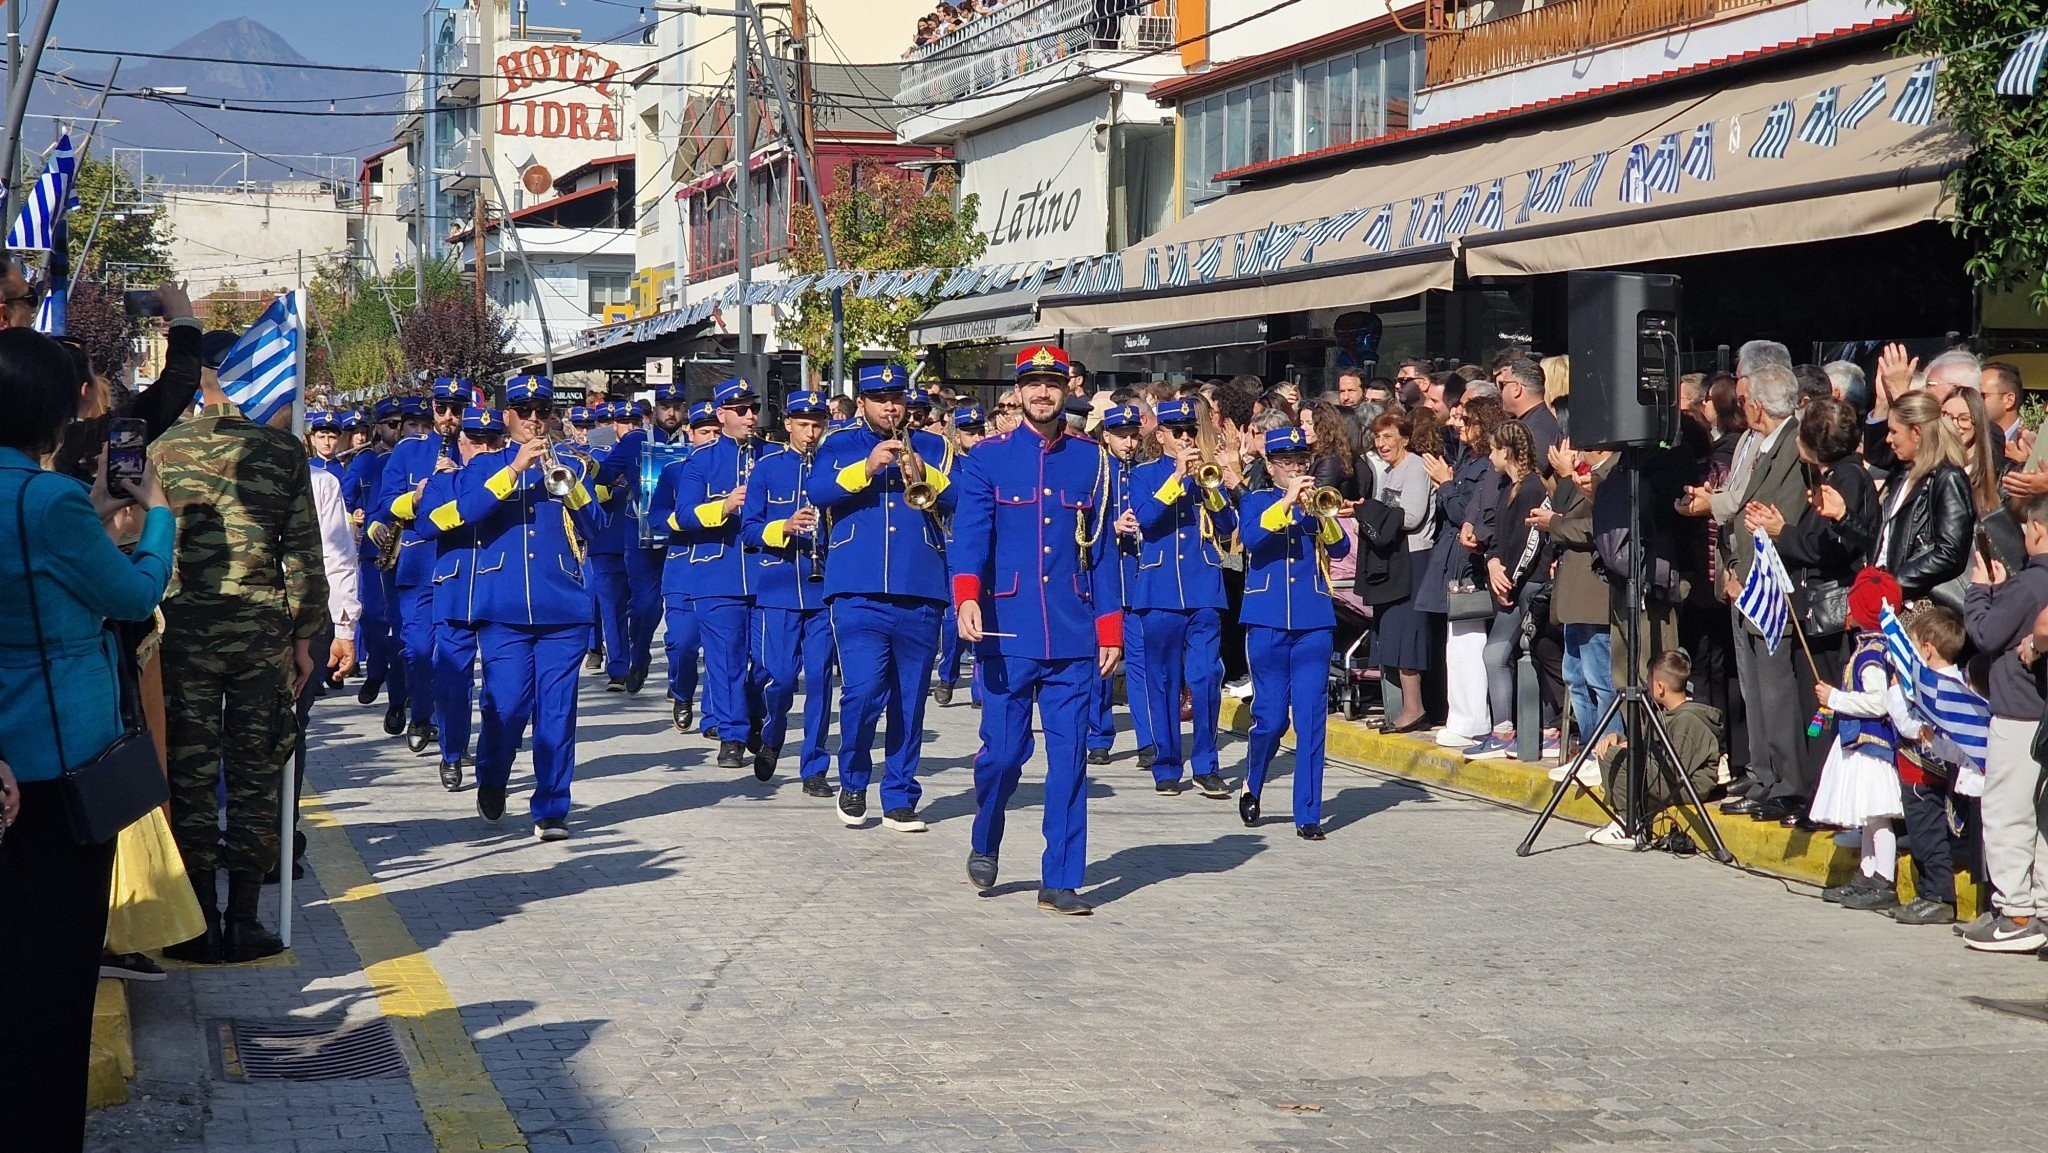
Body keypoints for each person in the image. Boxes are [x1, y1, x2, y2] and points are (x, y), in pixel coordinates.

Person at [0, 327, 174, 1153]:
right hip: (57, 767)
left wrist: (97, 508)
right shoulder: (48, 501)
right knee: (53, 983)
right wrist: (158, 517)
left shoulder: (44, 503)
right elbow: (132, 592)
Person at [154, 334, 327, 964]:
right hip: (260, 634)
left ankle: (198, 921)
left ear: (202, 381)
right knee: (256, 772)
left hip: (184, 632)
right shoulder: (283, 452)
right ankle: (245, 918)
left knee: (192, 772)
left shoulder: (163, 448)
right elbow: (302, 553)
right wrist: (307, 636)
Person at [949, 345, 1123, 915]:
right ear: (1017, 393)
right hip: (1008, 631)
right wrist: (967, 599)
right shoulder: (987, 459)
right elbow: (971, 537)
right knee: (1002, 755)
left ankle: (1061, 878)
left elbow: (1102, 555)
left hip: (1073, 634)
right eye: (1033, 384)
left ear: (1066, 388)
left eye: (1053, 383)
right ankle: (986, 835)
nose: (1044, 393)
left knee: (1070, 760)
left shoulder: (1094, 462)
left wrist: (1110, 628)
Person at [806, 362, 955, 832]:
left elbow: (963, 503)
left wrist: (925, 472)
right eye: (879, 398)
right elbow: (818, 491)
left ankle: (900, 794)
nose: (890, 406)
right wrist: (866, 468)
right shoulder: (839, 444)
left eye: (897, 397)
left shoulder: (936, 447)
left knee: (910, 699)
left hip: (921, 585)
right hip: (856, 585)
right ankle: (853, 779)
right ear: (864, 401)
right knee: (864, 690)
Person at [462, 377, 597, 840]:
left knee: (556, 712)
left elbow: (597, 527)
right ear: (507, 418)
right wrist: (516, 470)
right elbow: (468, 511)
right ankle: (493, 777)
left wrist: (571, 489)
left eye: (542, 409)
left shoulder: (572, 466)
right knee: (509, 706)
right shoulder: (487, 466)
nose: (535, 418)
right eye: (524, 410)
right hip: (503, 610)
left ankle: (552, 807)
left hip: (563, 609)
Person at [1236, 427, 1351, 840]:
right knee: (1268, 719)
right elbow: (1251, 538)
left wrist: (1324, 515)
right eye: (1287, 463)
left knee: (1310, 719)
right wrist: (1286, 502)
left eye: (1302, 462)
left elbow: (1338, 551)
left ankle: (1308, 812)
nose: (1297, 469)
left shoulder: (1316, 505)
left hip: (1314, 621)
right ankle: (1253, 782)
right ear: (1271, 467)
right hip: (1266, 619)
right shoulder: (1256, 500)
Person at [1128, 398, 1237, 797]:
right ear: (1161, 436)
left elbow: (1228, 526)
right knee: (1162, 679)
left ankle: (1206, 763)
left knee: (1206, 676)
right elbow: (1146, 519)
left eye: (1191, 432)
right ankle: (1167, 764)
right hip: (1158, 592)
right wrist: (1176, 479)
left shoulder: (1204, 477)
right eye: (1178, 433)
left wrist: (1216, 487)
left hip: (1203, 587)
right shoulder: (1143, 475)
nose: (1186, 439)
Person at [659, 379, 768, 771]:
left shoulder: (772, 456)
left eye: (753, 408)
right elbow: (683, 515)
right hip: (716, 572)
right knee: (725, 660)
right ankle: (733, 734)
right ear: (721, 415)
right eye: (740, 410)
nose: (750, 416)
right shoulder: (701, 461)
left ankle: (754, 713)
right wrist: (722, 506)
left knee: (771, 661)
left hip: (766, 571)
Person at [1959, 492, 2048, 954]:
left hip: (2020, 711)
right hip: (2041, 713)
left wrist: (1979, 589)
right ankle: (2043, 908)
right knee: (2042, 816)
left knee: (2006, 811)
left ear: (2036, 531)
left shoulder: (2031, 584)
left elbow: (1987, 633)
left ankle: (2016, 912)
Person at [740, 391, 835, 791]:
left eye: (817, 425)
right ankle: (772, 733)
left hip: (823, 591)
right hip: (778, 589)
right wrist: (783, 526)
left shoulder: (833, 467)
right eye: (804, 425)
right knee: (780, 678)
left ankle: (813, 767)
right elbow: (748, 530)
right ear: (788, 426)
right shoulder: (767, 468)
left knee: (819, 679)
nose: (810, 433)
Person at [369, 378, 468, 753]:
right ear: (433, 410)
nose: (449, 417)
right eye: (442, 409)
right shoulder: (410, 451)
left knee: (453, 655)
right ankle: (421, 714)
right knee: (419, 649)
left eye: (456, 410)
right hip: (418, 562)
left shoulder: (476, 448)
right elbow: (388, 502)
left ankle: (451, 731)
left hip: (460, 564)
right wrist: (418, 496)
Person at [409, 407, 503, 792]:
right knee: (451, 682)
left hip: (499, 594)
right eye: (474, 441)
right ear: (461, 443)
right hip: (455, 592)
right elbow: (426, 524)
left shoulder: (512, 484)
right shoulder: (443, 482)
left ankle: (492, 757)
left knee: (500, 686)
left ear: (501, 444)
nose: (481, 449)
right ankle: (451, 753)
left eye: (490, 442)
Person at [1811, 569, 1907, 911]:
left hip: (1872, 743)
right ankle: (1867, 873)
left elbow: (1879, 702)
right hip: (1859, 741)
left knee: (1878, 815)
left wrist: (1835, 698)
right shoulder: (1871, 647)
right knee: (1867, 815)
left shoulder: (1870, 656)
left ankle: (1883, 877)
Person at [593, 382, 690, 693]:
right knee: (646, 606)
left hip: (682, 536)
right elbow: (606, 474)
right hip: (641, 535)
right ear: (655, 410)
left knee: (681, 610)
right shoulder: (635, 441)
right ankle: (639, 656)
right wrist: (589, 463)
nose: (671, 412)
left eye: (677, 406)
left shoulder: (694, 442)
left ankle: (680, 684)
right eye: (665, 406)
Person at [1885, 606, 1974, 926]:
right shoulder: (1955, 680)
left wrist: (1895, 689)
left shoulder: (1935, 685)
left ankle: (1939, 896)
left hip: (1923, 772)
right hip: (1928, 771)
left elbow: (1913, 727)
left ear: (1927, 648)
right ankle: (1928, 892)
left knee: (1929, 837)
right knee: (1927, 835)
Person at [1467, 420, 1551, 761]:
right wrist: (1492, 561)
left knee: (1499, 653)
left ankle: (1515, 728)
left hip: (1527, 584)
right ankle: (1503, 726)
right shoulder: (1508, 487)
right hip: (1509, 581)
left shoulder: (1533, 488)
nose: (1489, 456)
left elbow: (1531, 541)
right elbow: (1502, 537)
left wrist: (1509, 582)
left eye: (1493, 449)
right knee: (1497, 655)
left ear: (1507, 451)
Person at [1581, 651, 1722, 848]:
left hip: (1687, 785)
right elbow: (1654, 747)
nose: (1646, 686)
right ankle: (1625, 818)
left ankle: (1627, 823)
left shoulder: (1687, 720)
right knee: (1612, 750)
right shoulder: (1665, 713)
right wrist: (1620, 740)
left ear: (1660, 687)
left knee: (1619, 758)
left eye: (1649, 681)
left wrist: (1634, 751)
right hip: (1670, 775)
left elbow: (1675, 768)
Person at [1089, 404, 1154, 765]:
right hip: (1105, 579)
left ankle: (1147, 740)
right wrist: (1111, 528)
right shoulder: (1096, 473)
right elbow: (1079, 527)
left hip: (1138, 577)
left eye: (1134, 436)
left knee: (1141, 663)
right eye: (1122, 436)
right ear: (1107, 437)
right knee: (1102, 661)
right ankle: (1098, 735)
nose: (1129, 443)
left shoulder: (1143, 474)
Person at [1372, 410, 1440, 733]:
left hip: (1413, 559)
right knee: (1390, 633)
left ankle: (1415, 708)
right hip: (1390, 560)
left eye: (1388, 436)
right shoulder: (1388, 471)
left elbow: (1411, 516)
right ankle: (1398, 707)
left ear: (1405, 438)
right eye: (1377, 436)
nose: (1381, 443)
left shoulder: (1415, 467)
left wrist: (1375, 514)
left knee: (1407, 634)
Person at [1870, 390, 1973, 604]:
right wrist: (1844, 518)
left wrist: (1895, 584)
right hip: (1891, 600)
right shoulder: (1902, 474)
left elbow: (1950, 552)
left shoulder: (1947, 478)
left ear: (1916, 433)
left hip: (1921, 607)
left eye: (1893, 431)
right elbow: (1887, 540)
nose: (1888, 439)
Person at [346, 396, 407, 722]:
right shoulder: (367, 460)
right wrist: (356, 514)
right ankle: (377, 670)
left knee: (402, 626)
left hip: (410, 551)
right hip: (374, 552)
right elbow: (346, 497)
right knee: (372, 618)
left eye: (403, 424)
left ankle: (402, 695)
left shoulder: (416, 455)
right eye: (391, 425)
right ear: (378, 427)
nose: (397, 431)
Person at [936, 404, 990, 708]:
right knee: (953, 621)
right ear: (958, 437)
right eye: (970, 432)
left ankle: (980, 691)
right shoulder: (951, 467)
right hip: (956, 546)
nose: (977, 436)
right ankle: (948, 675)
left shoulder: (991, 462)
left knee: (983, 617)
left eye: (980, 431)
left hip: (985, 547)